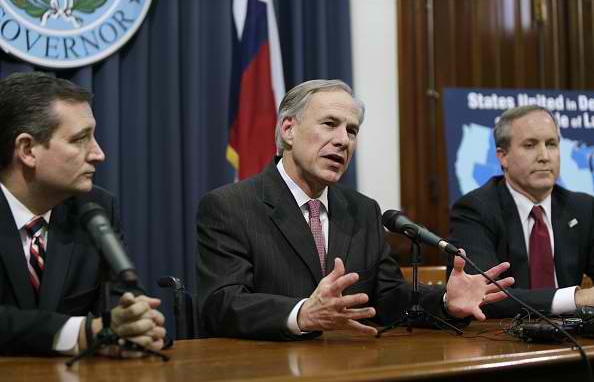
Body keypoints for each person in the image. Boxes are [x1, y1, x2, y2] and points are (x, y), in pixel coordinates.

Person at [196, 79, 514, 340]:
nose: (342, 141)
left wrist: (446, 302)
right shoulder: (230, 205)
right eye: (329, 124)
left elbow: (388, 298)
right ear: (288, 129)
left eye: (351, 131)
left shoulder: (362, 210)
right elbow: (222, 303)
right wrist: (301, 314)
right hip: (265, 372)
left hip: (349, 367)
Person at [0, 72, 166, 355]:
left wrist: (135, 328)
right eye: (80, 139)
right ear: (27, 150)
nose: (98, 154)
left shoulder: (96, 209)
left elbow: (119, 307)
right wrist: (83, 333)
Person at [448, 104, 594, 318]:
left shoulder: (583, 208)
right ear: (502, 156)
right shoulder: (474, 209)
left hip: (573, 336)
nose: (544, 156)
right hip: (502, 340)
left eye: (551, 144)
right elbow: (480, 296)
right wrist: (575, 299)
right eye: (530, 145)